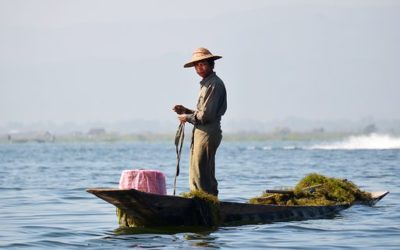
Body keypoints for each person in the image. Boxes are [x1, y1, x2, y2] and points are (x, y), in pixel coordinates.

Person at [173, 47, 227, 196]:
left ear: (211, 64)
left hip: (208, 131)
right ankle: (202, 200)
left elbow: (206, 116)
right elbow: (202, 113)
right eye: (197, 65)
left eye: (203, 64)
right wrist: (186, 111)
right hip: (202, 131)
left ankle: (206, 203)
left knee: (202, 172)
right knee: (198, 169)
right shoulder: (206, 84)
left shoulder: (213, 84)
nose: (199, 68)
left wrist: (186, 117)